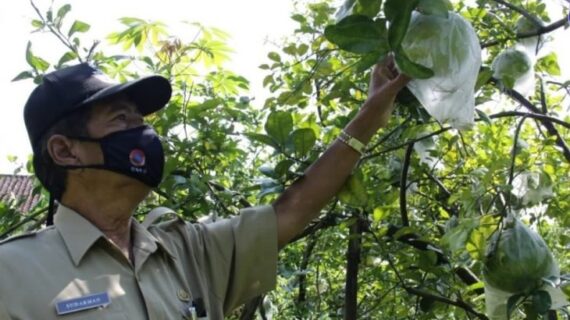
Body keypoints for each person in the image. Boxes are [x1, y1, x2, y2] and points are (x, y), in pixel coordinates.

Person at [0, 58, 409, 319]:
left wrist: (371, 114)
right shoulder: (12, 274)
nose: (144, 132)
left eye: (142, 120)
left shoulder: (186, 251)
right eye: (121, 119)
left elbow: (293, 208)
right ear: (64, 151)